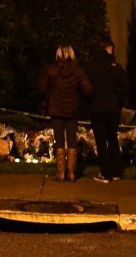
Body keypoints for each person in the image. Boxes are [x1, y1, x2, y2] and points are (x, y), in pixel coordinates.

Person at [38, 44, 93, 182]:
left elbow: (41, 88)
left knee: (60, 141)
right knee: (72, 141)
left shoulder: (51, 70)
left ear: (58, 55)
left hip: (56, 109)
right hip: (73, 110)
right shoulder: (78, 71)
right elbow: (89, 91)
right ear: (72, 54)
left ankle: (61, 173)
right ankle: (72, 174)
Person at [83, 36, 129, 182]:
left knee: (101, 141)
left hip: (96, 108)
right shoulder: (117, 67)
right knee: (113, 140)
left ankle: (106, 173)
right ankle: (116, 172)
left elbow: (86, 88)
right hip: (112, 109)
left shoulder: (89, 67)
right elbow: (125, 88)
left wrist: (88, 103)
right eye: (110, 48)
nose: (112, 51)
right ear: (105, 49)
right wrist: (118, 102)